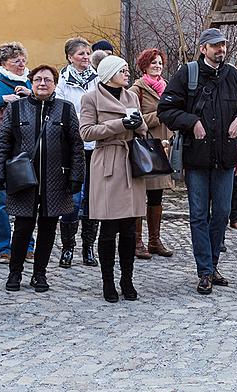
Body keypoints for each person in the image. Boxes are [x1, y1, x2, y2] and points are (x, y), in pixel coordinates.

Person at [158, 28, 237, 295]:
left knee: (222, 214)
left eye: (223, 45)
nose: (220, 50)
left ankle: (212, 265)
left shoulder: (234, 76)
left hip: (225, 157)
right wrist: (191, 122)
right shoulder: (187, 74)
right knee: (199, 215)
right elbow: (165, 110)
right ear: (203, 49)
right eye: (215, 46)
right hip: (197, 157)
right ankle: (204, 270)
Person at [0, 64, 84, 292]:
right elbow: (3, 143)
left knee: (47, 229)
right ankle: (15, 273)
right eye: (38, 80)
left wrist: (76, 176)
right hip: (24, 181)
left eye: (48, 80)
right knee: (23, 228)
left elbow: (76, 145)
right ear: (31, 83)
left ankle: (40, 274)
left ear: (54, 84)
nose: (42, 84)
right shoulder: (17, 109)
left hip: (55, 180)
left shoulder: (65, 109)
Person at [79, 55, 148, 303]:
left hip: (130, 163)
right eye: (123, 70)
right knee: (108, 228)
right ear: (110, 73)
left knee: (129, 228)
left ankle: (127, 280)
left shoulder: (131, 96)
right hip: (107, 161)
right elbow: (86, 132)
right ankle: (107, 281)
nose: (127, 74)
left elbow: (142, 130)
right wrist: (120, 124)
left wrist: (138, 125)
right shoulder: (91, 98)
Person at [55, 37, 100, 268]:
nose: (85, 57)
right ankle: (68, 247)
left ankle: (88, 247)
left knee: (93, 198)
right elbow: (62, 112)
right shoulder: (62, 81)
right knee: (73, 199)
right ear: (70, 57)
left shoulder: (98, 79)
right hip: (73, 147)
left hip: (96, 146)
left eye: (87, 53)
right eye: (81, 54)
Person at [128, 48, 174, 259]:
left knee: (157, 196)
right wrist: (161, 115)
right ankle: (136, 241)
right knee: (140, 196)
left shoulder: (167, 87)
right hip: (145, 148)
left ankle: (155, 240)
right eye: (153, 63)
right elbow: (135, 119)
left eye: (160, 63)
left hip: (164, 147)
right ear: (144, 65)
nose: (157, 66)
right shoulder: (137, 89)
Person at [0, 42, 35, 264]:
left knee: (26, 196)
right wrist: (2, 100)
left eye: (22, 59)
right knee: (0, 200)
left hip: (25, 146)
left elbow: (47, 104)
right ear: (3, 62)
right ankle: (3, 247)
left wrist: (31, 94)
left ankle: (27, 245)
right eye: (15, 60)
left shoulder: (28, 82)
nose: (21, 63)